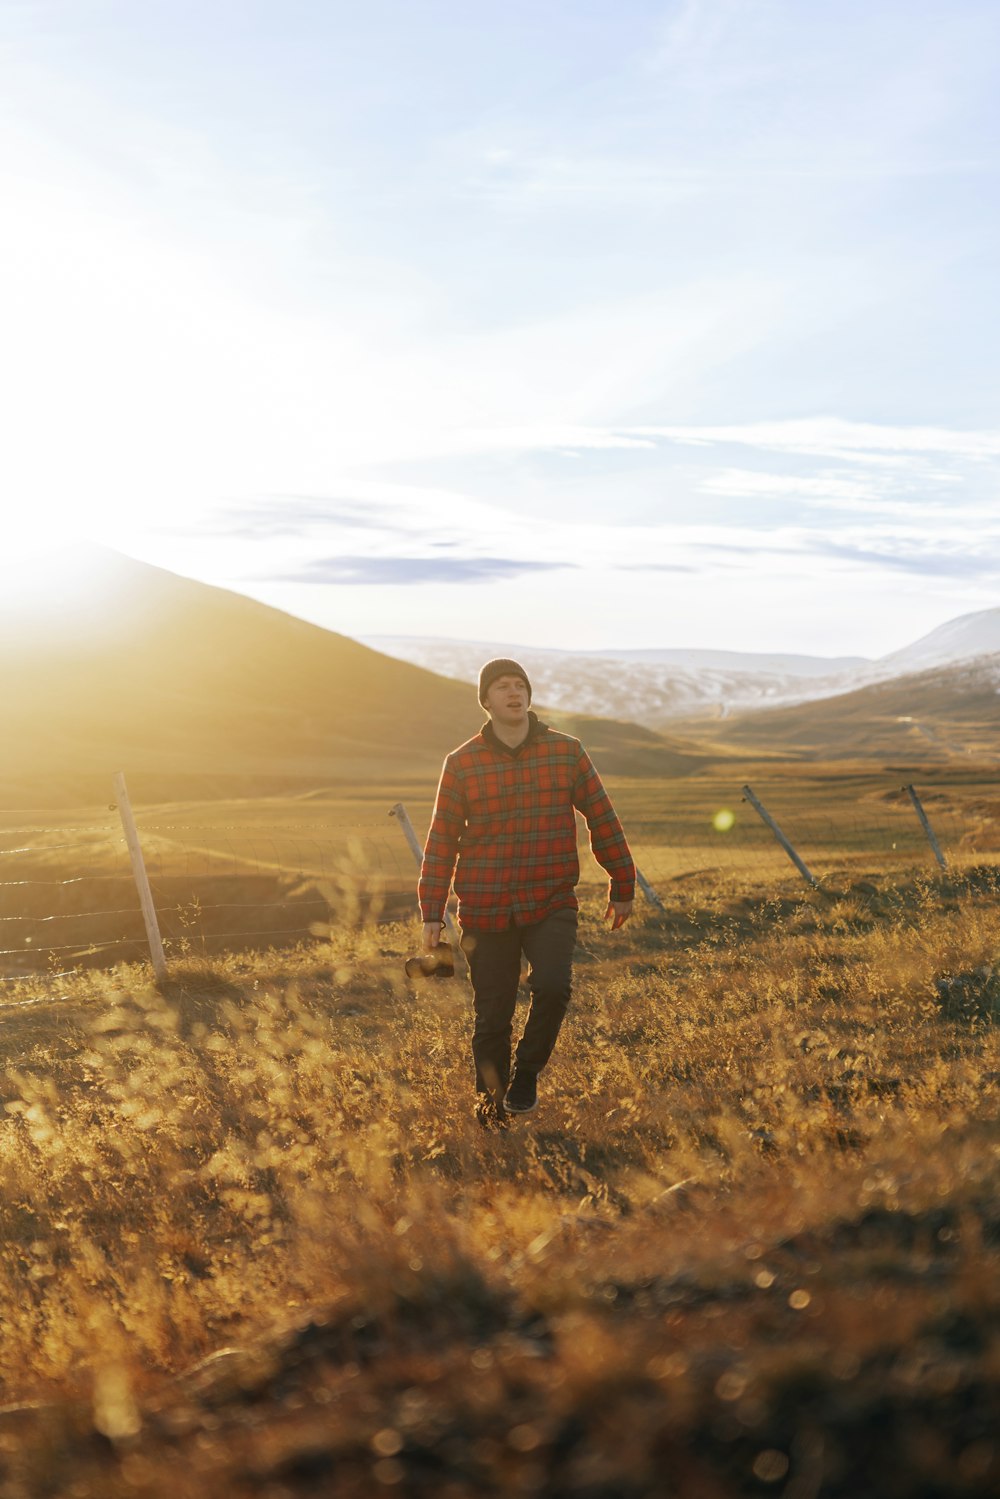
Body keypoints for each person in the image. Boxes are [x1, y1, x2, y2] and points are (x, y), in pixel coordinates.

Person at [418, 657, 636, 1129]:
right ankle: (491, 1114)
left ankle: (527, 1075)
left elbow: (602, 816)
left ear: (529, 695)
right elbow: (441, 841)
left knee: (553, 987)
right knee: (492, 1016)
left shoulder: (566, 752)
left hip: (550, 898)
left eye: (520, 685)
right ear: (486, 700)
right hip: (485, 906)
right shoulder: (462, 763)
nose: (513, 692)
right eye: (502, 686)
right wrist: (431, 910)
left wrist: (622, 882)